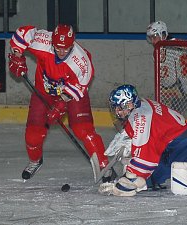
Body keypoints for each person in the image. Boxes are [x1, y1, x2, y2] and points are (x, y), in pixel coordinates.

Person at [8, 24, 111, 181]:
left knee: (83, 129)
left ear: (73, 44)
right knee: (33, 133)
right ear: (52, 43)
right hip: (44, 91)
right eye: (58, 47)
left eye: (66, 48)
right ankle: (35, 161)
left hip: (72, 92)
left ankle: (104, 165)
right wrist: (17, 56)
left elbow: (81, 85)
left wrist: (62, 103)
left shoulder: (81, 62)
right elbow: (22, 33)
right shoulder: (42, 41)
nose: (62, 52)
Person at [98, 84, 187, 197]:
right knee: (148, 180)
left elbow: (144, 159)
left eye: (120, 108)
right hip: (170, 149)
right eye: (115, 108)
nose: (117, 112)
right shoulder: (140, 105)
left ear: (129, 104)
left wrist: (128, 179)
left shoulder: (141, 118)